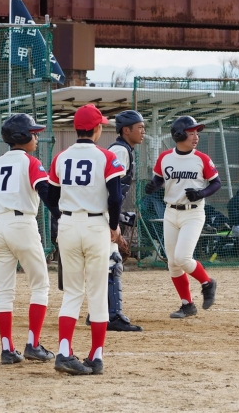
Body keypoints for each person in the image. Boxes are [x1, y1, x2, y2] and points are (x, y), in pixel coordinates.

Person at [0, 113, 59, 365]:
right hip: (22, 224)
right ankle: (33, 344)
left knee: (5, 291)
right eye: (34, 133)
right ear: (22, 135)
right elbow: (46, 195)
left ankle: (7, 349)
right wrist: (63, 219)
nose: (36, 137)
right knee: (40, 286)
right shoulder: (30, 162)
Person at [47, 104, 125, 376]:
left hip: (68, 224)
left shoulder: (60, 157)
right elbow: (116, 197)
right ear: (97, 129)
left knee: (72, 292)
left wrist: (63, 216)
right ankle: (96, 356)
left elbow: (50, 196)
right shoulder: (106, 156)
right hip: (96, 225)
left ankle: (64, 351)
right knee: (97, 292)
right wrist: (114, 226)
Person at [144, 115, 221, 319]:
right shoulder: (165, 157)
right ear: (178, 135)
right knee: (173, 263)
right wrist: (153, 186)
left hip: (193, 213)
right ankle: (187, 305)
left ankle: (207, 283)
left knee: (182, 258)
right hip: (171, 212)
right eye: (191, 133)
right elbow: (158, 179)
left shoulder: (201, 158)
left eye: (197, 133)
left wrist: (201, 193)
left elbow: (216, 183)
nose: (196, 137)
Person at [103, 110, 146, 332]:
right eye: (139, 127)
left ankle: (98, 313)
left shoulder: (124, 149)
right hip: (101, 214)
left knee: (107, 263)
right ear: (125, 130)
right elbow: (111, 189)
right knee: (112, 262)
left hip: (103, 213)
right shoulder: (120, 150)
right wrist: (114, 223)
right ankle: (113, 316)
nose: (143, 131)